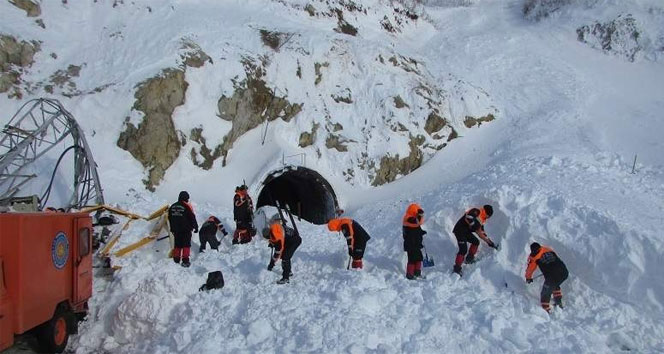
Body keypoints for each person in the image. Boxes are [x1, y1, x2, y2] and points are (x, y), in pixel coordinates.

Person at [452, 205, 498, 276]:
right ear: (488, 215)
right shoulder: (476, 211)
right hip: (460, 230)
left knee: (476, 242)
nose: (488, 218)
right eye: (489, 217)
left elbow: (481, 233)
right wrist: (475, 226)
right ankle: (456, 269)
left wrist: (490, 243)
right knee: (463, 250)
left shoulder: (482, 220)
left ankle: (469, 259)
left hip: (466, 232)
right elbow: (468, 217)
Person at [525, 242, 569, 313]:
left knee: (545, 292)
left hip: (553, 276)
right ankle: (558, 302)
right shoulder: (547, 249)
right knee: (554, 285)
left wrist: (528, 278)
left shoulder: (534, 257)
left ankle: (545, 311)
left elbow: (530, 269)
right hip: (564, 272)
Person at [168, 191, 198, 267]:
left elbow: (170, 218)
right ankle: (185, 260)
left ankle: (176, 260)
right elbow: (192, 217)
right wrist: (196, 227)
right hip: (186, 229)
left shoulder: (173, 206)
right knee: (186, 244)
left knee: (177, 244)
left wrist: (172, 228)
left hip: (176, 230)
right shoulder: (186, 206)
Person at [267, 219, 302, 284]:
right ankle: (288, 272)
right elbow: (278, 238)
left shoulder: (276, 235)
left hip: (295, 241)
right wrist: (272, 242)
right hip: (290, 239)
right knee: (285, 255)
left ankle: (286, 278)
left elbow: (278, 251)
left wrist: (272, 263)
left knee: (285, 257)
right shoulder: (275, 228)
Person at [402, 203, 427, 280]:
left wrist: (422, 232)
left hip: (416, 243)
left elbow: (417, 228)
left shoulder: (413, 220)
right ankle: (410, 275)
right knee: (412, 259)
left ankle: (417, 273)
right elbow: (415, 222)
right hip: (410, 244)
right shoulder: (408, 218)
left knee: (419, 258)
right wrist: (420, 215)